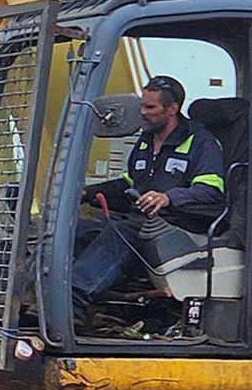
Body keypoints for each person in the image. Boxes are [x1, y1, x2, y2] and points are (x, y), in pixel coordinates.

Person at [72, 74, 227, 302]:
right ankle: (40, 292)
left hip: (176, 224)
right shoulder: (146, 140)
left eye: (150, 107)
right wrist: (87, 193)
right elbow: (129, 183)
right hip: (140, 220)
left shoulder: (202, 142)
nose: (143, 112)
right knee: (75, 230)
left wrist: (168, 197)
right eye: (142, 106)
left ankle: (74, 297)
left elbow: (210, 190)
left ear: (172, 109)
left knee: (120, 233)